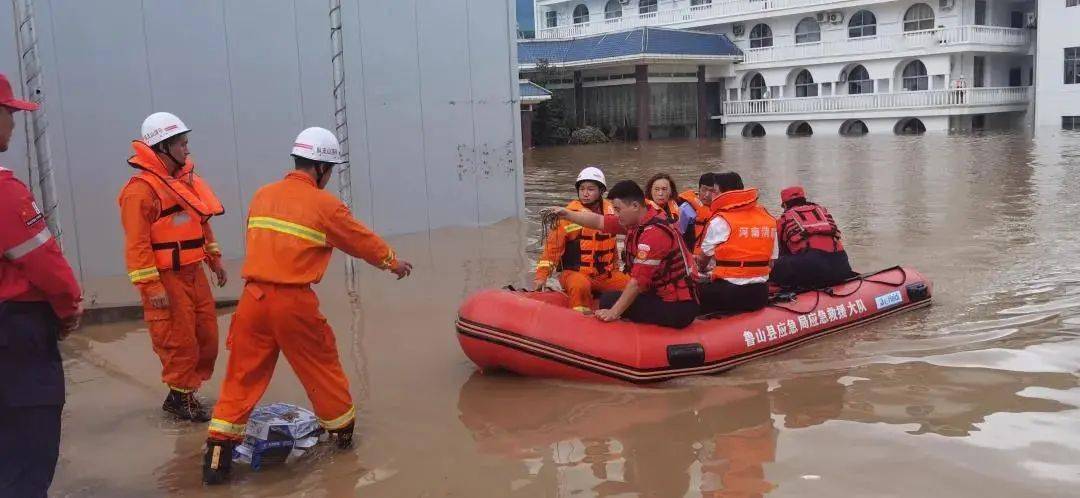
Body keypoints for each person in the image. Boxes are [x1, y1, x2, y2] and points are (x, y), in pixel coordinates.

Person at [203, 127, 413, 485]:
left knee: (241, 376)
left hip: (252, 299)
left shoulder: (261, 196)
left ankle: (217, 457)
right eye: (329, 171)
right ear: (320, 169)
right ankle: (344, 439)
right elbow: (358, 239)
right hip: (293, 301)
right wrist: (392, 262)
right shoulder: (324, 204)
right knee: (321, 366)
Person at [0, 72, 83, 498]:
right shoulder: (6, 194)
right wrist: (68, 311)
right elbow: (48, 267)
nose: (13, 123)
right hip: (16, 335)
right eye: (9, 112)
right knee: (28, 454)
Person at [118, 112, 227, 422]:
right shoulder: (140, 192)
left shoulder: (186, 183)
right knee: (179, 340)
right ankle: (181, 399)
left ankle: (182, 394)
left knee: (207, 337)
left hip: (195, 271)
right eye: (182, 144)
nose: (188, 150)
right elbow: (136, 245)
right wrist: (151, 286)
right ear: (163, 147)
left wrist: (215, 261)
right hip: (166, 278)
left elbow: (202, 224)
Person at [552, 180, 699, 329]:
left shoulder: (654, 234)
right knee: (611, 296)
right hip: (660, 294)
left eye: (617, 209)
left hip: (677, 307)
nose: (615, 214)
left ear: (635, 206)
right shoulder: (640, 219)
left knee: (609, 301)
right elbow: (598, 221)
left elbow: (638, 282)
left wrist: (613, 312)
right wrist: (567, 214)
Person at [534, 167, 629, 312]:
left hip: (605, 275)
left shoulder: (612, 213)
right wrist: (541, 276)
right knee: (580, 286)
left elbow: (613, 248)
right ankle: (581, 319)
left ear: (601, 191)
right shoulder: (567, 216)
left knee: (631, 286)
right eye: (582, 189)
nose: (585, 193)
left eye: (590, 189)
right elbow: (551, 251)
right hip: (575, 273)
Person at [695, 172, 777, 315]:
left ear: (724, 194)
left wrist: (702, 272)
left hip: (729, 294)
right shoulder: (767, 218)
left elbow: (702, 261)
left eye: (714, 191)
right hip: (760, 293)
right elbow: (771, 263)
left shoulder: (720, 221)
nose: (711, 195)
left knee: (688, 292)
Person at [770, 186, 855, 290]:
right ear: (804, 199)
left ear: (784, 204)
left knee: (773, 265)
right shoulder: (822, 211)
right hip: (842, 264)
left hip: (812, 266)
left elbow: (778, 252)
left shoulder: (783, 219)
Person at [676, 172, 718, 250]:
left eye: (712, 191)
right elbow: (676, 236)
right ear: (699, 189)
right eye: (704, 189)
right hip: (691, 254)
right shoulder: (686, 209)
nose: (707, 195)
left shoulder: (722, 210)